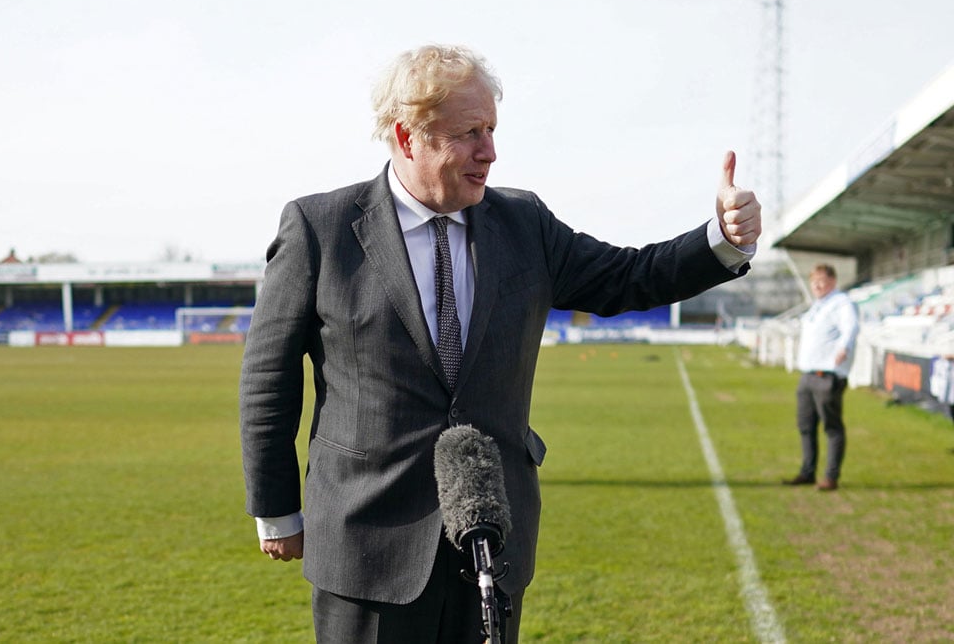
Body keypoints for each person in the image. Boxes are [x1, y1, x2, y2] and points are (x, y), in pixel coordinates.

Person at [239, 44, 761, 643]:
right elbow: (268, 378)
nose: (489, 150)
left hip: (491, 535)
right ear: (408, 138)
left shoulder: (525, 223)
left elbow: (629, 275)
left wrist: (720, 239)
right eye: (468, 133)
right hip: (366, 540)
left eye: (490, 129)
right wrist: (276, 507)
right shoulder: (320, 228)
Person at [783, 264, 858, 492]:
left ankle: (831, 477)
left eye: (821, 280)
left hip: (826, 374)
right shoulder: (818, 305)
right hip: (807, 374)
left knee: (832, 427)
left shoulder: (841, 302)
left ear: (832, 281)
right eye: (813, 281)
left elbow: (851, 326)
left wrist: (844, 347)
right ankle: (807, 472)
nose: (816, 285)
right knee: (805, 426)